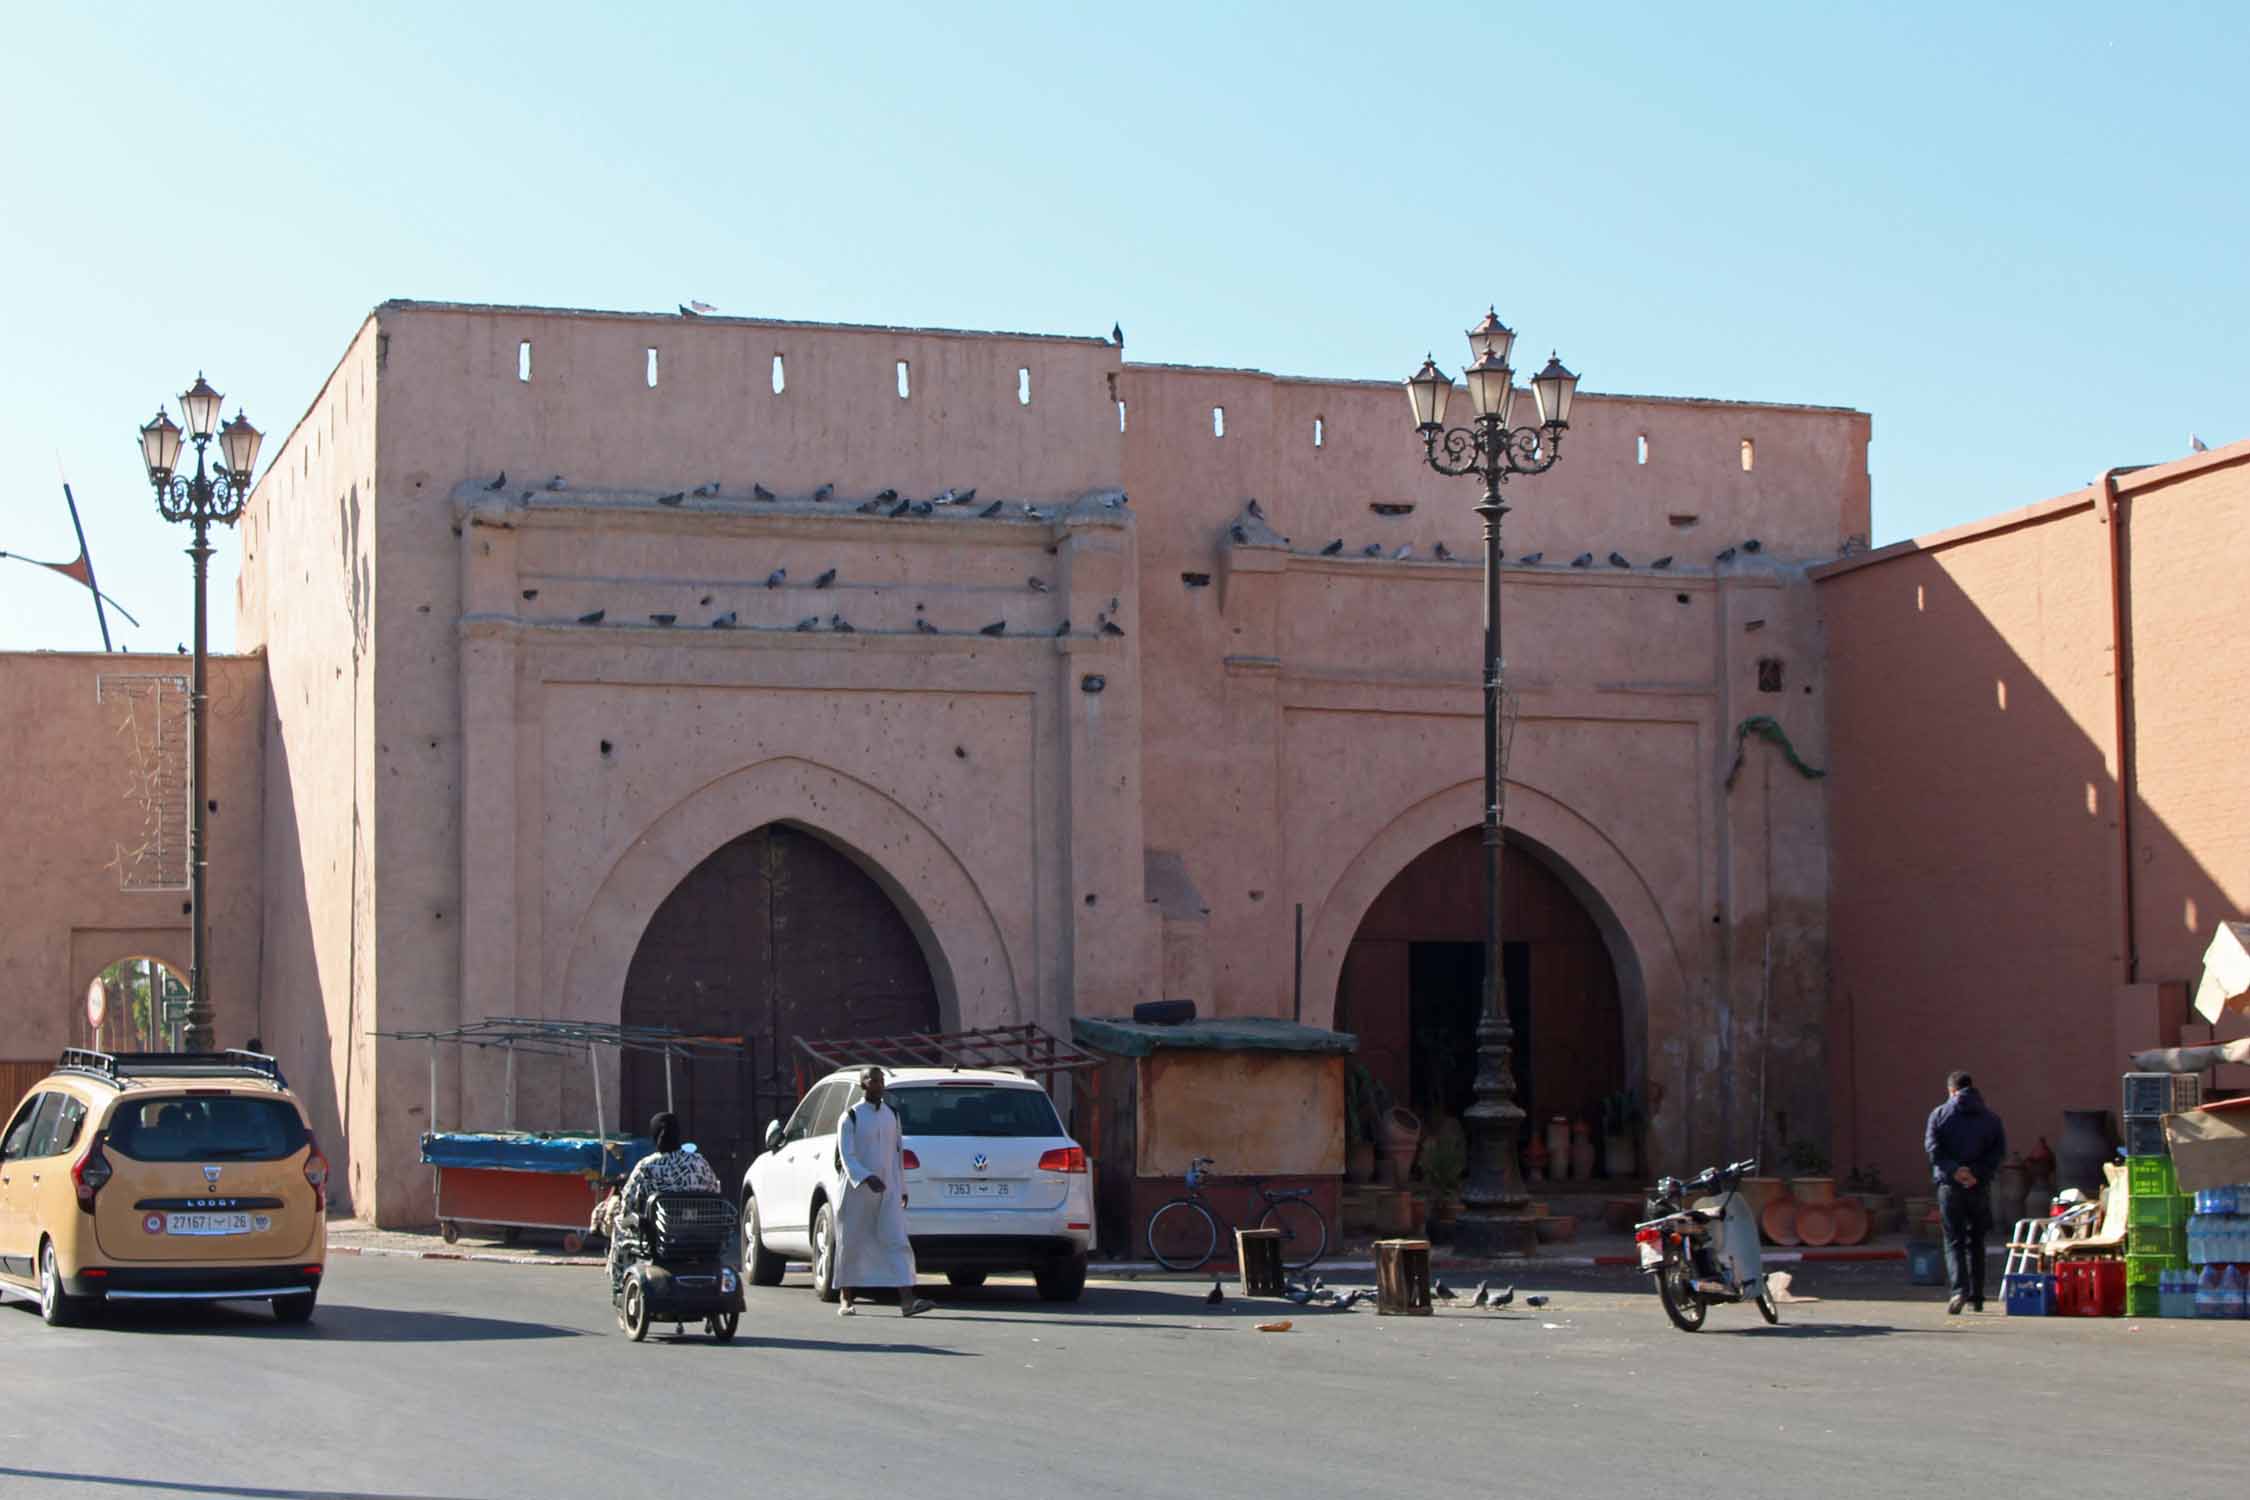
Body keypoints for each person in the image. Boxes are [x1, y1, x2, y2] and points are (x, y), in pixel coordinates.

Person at [833, 1067, 932, 1318]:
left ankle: (907, 1301)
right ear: (863, 1084)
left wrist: (902, 1187)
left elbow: (897, 1154)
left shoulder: (892, 1115)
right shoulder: (850, 1117)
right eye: (873, 1080)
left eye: (881, 1080)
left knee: (897, 1240)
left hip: (888, 1189)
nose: (879, 1084)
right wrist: (866, 1177)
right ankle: (846, 1299)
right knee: (851, 1242)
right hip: (856, 1191)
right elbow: (847, 1156)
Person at [1925, 1070, 2006, 1314]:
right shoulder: (1991, 1118)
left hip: (1950, 1186)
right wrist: (1975, 1174)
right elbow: (1997, 1152)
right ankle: (1978, 1297)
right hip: (1978, 1187)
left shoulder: (1939, 1114)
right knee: (1977, 1241)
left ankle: (1959, 1291)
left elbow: (1932, 1148)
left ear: (1951, 1090)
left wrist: (1954, 1171)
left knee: (1954, 1241)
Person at [611, 1112, 721, 1277]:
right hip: (701, 1238)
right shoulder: (699, 1162)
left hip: (662, 1239)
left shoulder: (647, 1166)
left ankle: (619, 1283)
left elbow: (628, 1204)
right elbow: (716, 1191)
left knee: (620, 1222)